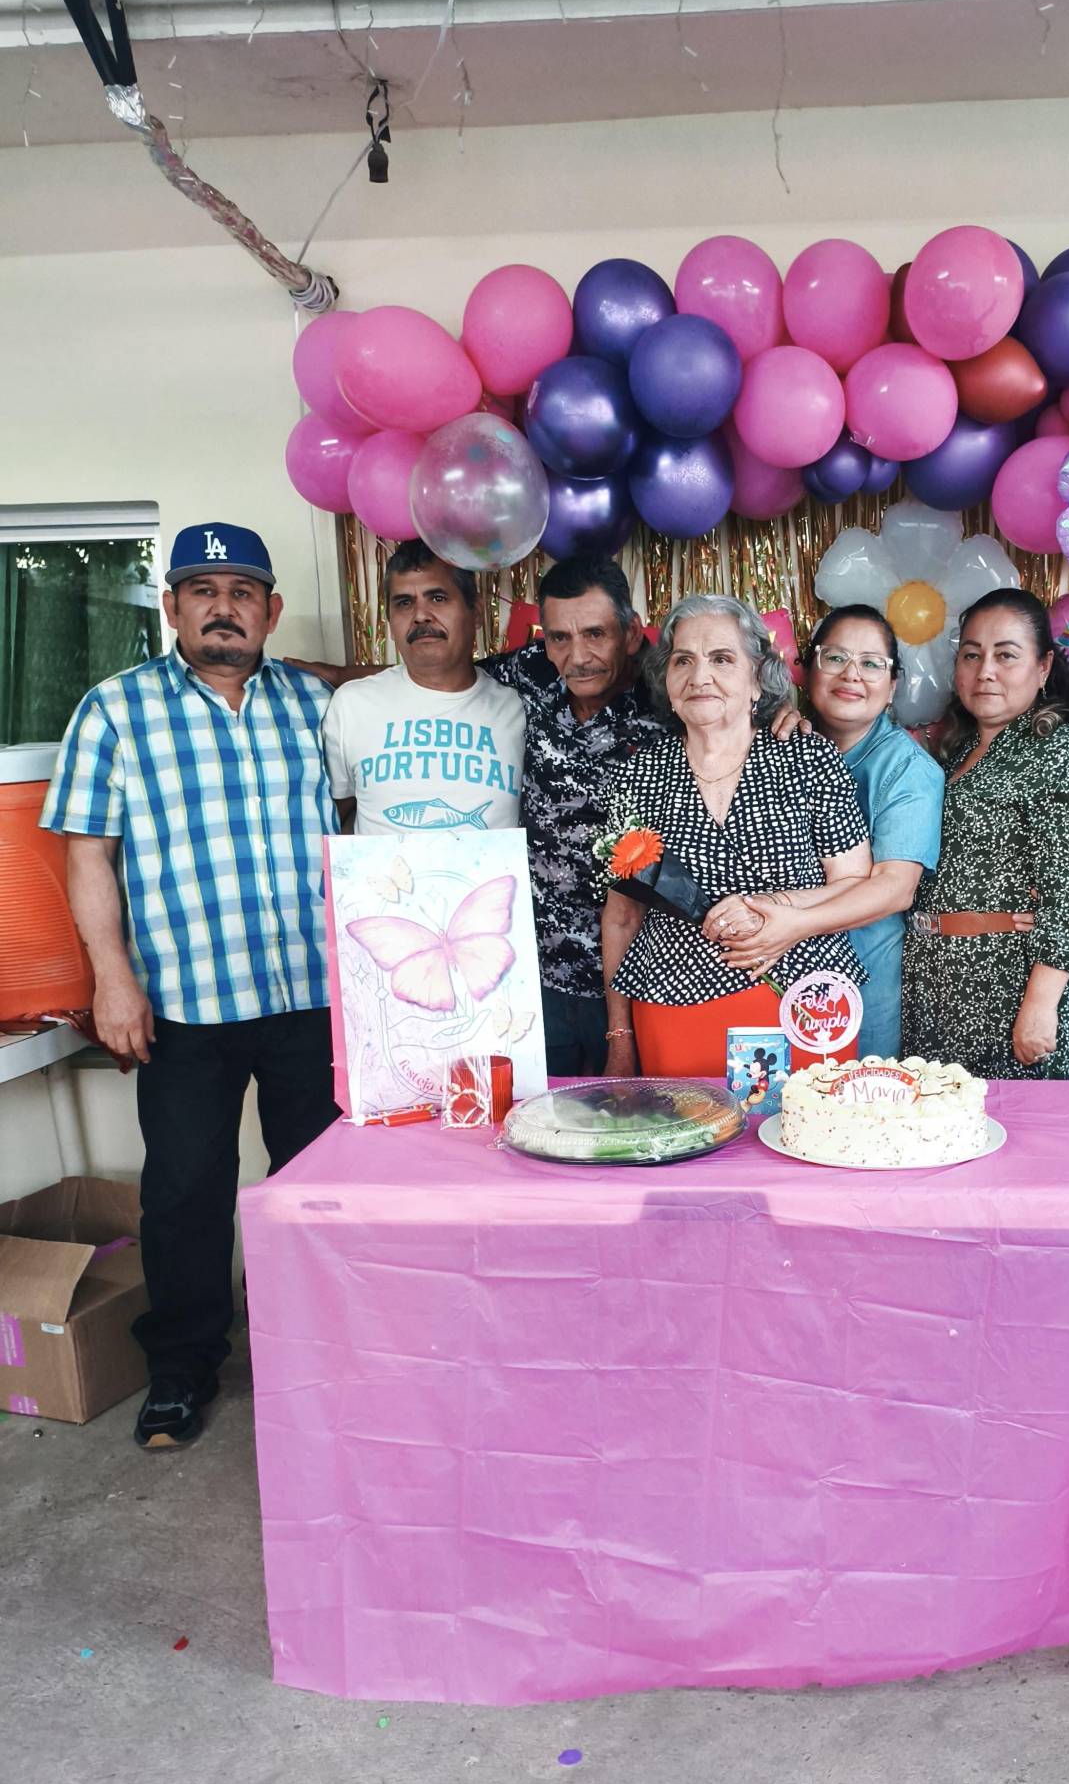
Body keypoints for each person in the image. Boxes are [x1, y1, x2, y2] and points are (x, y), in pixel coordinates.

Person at [40, 523, 340, 1450]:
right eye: (202, 589)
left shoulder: (312, 705)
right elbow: (89, 850)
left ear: (272, 611)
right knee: (184, 1195)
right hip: (184, 1001)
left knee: (319, 1187)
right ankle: (182, 1367)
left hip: (308, 993)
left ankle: (324, 1352)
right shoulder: (115, 708)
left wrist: (334, 669)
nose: (223, 606)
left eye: (243, 590)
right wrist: (112, 980)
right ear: (170, 606)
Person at [600, 595, 872, 1079]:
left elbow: (855, 882)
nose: (700, 676)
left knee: (801, 1139)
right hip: (673, 1006)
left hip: (803, 1003)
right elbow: (622, 917)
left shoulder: (808, 757)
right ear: (667, 678)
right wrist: (619, 1038)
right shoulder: (638, 775)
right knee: (688, 1142)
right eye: (684, 660)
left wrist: (775, 907)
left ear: (756, 678)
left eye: (722, 659)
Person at [901, 589, 1069, 1079]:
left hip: (1014, 988)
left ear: (1043, 668)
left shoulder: (1065, 755)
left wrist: (1040, 1006)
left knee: (1023, 1148)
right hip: (942, 985)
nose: (986, 671)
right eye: (972, 654)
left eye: (1006, 655)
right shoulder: (958, 751)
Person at [716, 606, 942, 1061]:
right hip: (765, 973)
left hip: (859, 979)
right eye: (835, 657)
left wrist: (792, 925)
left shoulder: (906, 769)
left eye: (872, 663)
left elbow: (895, 889)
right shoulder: (774, 741)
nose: (851, 675)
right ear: (807, 669)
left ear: (893, 684)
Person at [478, 555, 666, 1075]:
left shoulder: (673, 696)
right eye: (560, 637)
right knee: (549, 1135)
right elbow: (444, 677)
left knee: (637, 1131)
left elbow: (747, 706)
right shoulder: (533, 671)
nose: (576, 656)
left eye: (595, 635)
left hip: (642, 981)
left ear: (630, 633)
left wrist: (785, 715)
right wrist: (335, 675)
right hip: (539, 979)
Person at [322, 541, 525, 835]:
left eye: (438, 598)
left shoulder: (518, 709)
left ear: (477, 613)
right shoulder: (352, 705)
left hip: (494, 882)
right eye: (404, 602)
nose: (420, 615)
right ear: (390, 622)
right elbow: (336, 815)